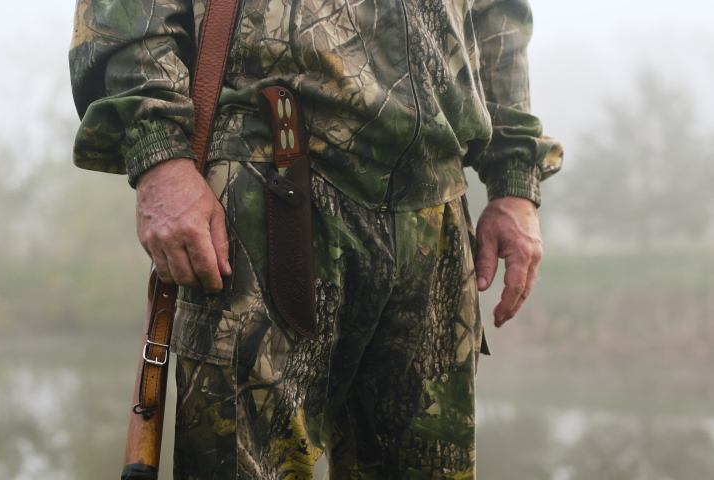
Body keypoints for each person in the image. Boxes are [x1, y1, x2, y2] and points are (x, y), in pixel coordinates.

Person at [69, 0, 563, 478]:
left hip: (437, 200)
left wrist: (515, 181)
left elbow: (498, 13)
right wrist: (158, 152)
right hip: (267, 176)